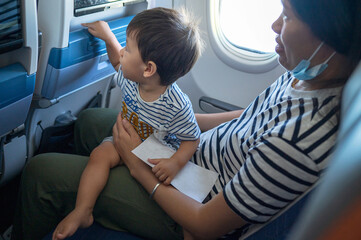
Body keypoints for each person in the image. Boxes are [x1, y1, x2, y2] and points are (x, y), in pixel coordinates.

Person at [11, 0, 361, 239]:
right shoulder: (303, 75)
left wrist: (137, 166)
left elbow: (207, 225)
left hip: (191, 203)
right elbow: (251, 117)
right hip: (187, 158)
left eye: (287, 16)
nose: (274, 24)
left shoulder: (301, 142)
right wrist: (179, 121)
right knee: (89, 121)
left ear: (330, 33)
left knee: (42, 173)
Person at [50, 7, 203, 240]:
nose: (122, 52)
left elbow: (191, 139)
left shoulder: (176, 105)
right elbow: (116, 61)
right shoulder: (134, 79)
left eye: (128, 49)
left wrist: (175, 163)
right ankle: (83, 211)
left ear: (149, 69)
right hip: (125, 141)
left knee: (185, 215)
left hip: (159, 155)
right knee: (99, 156)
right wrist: (108, 35)